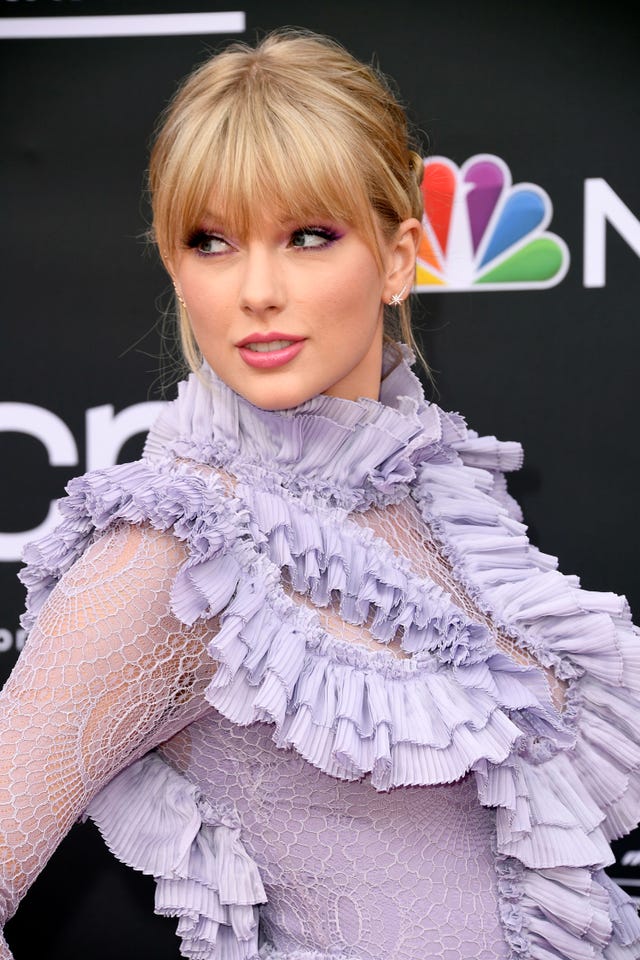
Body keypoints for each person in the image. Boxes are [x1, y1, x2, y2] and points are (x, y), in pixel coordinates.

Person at [1, 28, 640, 960]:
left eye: (309, 236)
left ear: (396, 258)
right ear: (178, 270)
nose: (257, 289)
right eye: (211, 242)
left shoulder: (442, 497)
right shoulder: (175, 551)